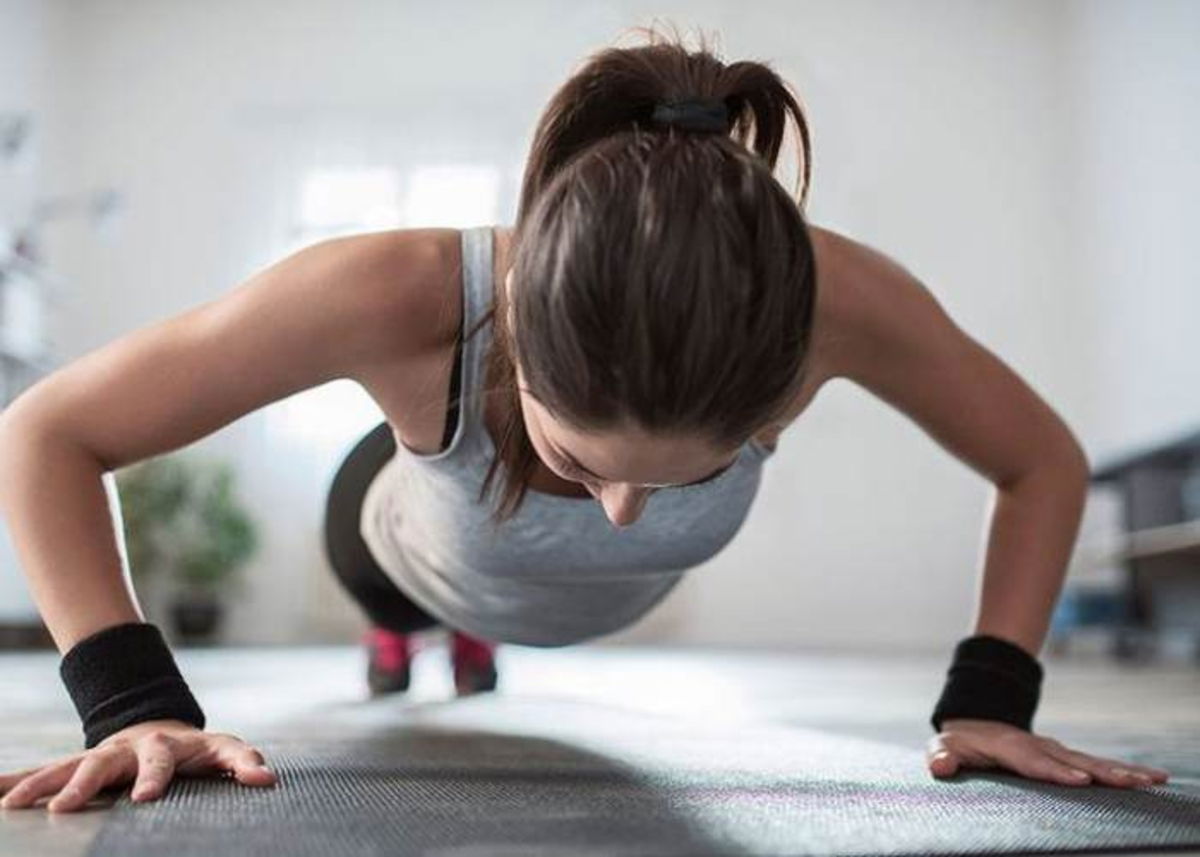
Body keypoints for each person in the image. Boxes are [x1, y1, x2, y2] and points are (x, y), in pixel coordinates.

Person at [0, 28, 1169, 815]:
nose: (620, 512)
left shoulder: (837, 303)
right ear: (514, 331)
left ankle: (471, 636)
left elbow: (1039, 460)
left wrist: (991, 696)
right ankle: (407, 634)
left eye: (681, 478)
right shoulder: (390, 291)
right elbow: (47, 428)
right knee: (394, 580)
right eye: (578, 456)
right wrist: (133, 701)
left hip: (550, 594)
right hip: (401, 530)